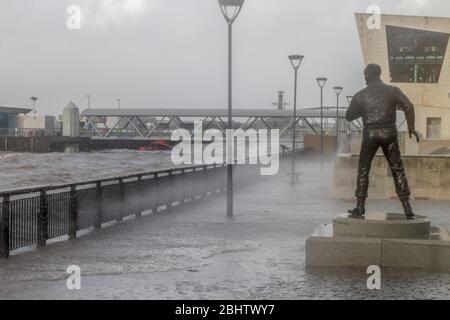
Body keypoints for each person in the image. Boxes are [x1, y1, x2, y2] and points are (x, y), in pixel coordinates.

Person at [346, 64, 420, 220]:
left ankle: (360, 207)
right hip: (389, 133)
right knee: (397, 169)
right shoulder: (393, 91)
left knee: (364, 169)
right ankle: (407, 208)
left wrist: (364, 108)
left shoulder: (361, 95)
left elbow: (349, 116)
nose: (364, 77)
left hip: (370, 133)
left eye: (365, 74)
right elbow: (409, 106)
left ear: (369, 75)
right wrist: (411, 127)